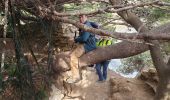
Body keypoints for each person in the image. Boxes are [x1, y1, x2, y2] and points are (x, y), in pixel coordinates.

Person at [67, 15, 98, 83]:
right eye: (79, 17)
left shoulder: (87, 25)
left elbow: (84, 39)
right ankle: (83, 74)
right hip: (89, 44)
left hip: (87, 45)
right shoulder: (86, 24)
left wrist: (76, 39)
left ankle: (75, 77)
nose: (81, 18)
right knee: (80, 57)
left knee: (73, 57)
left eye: (82, 17)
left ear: (86, 17)